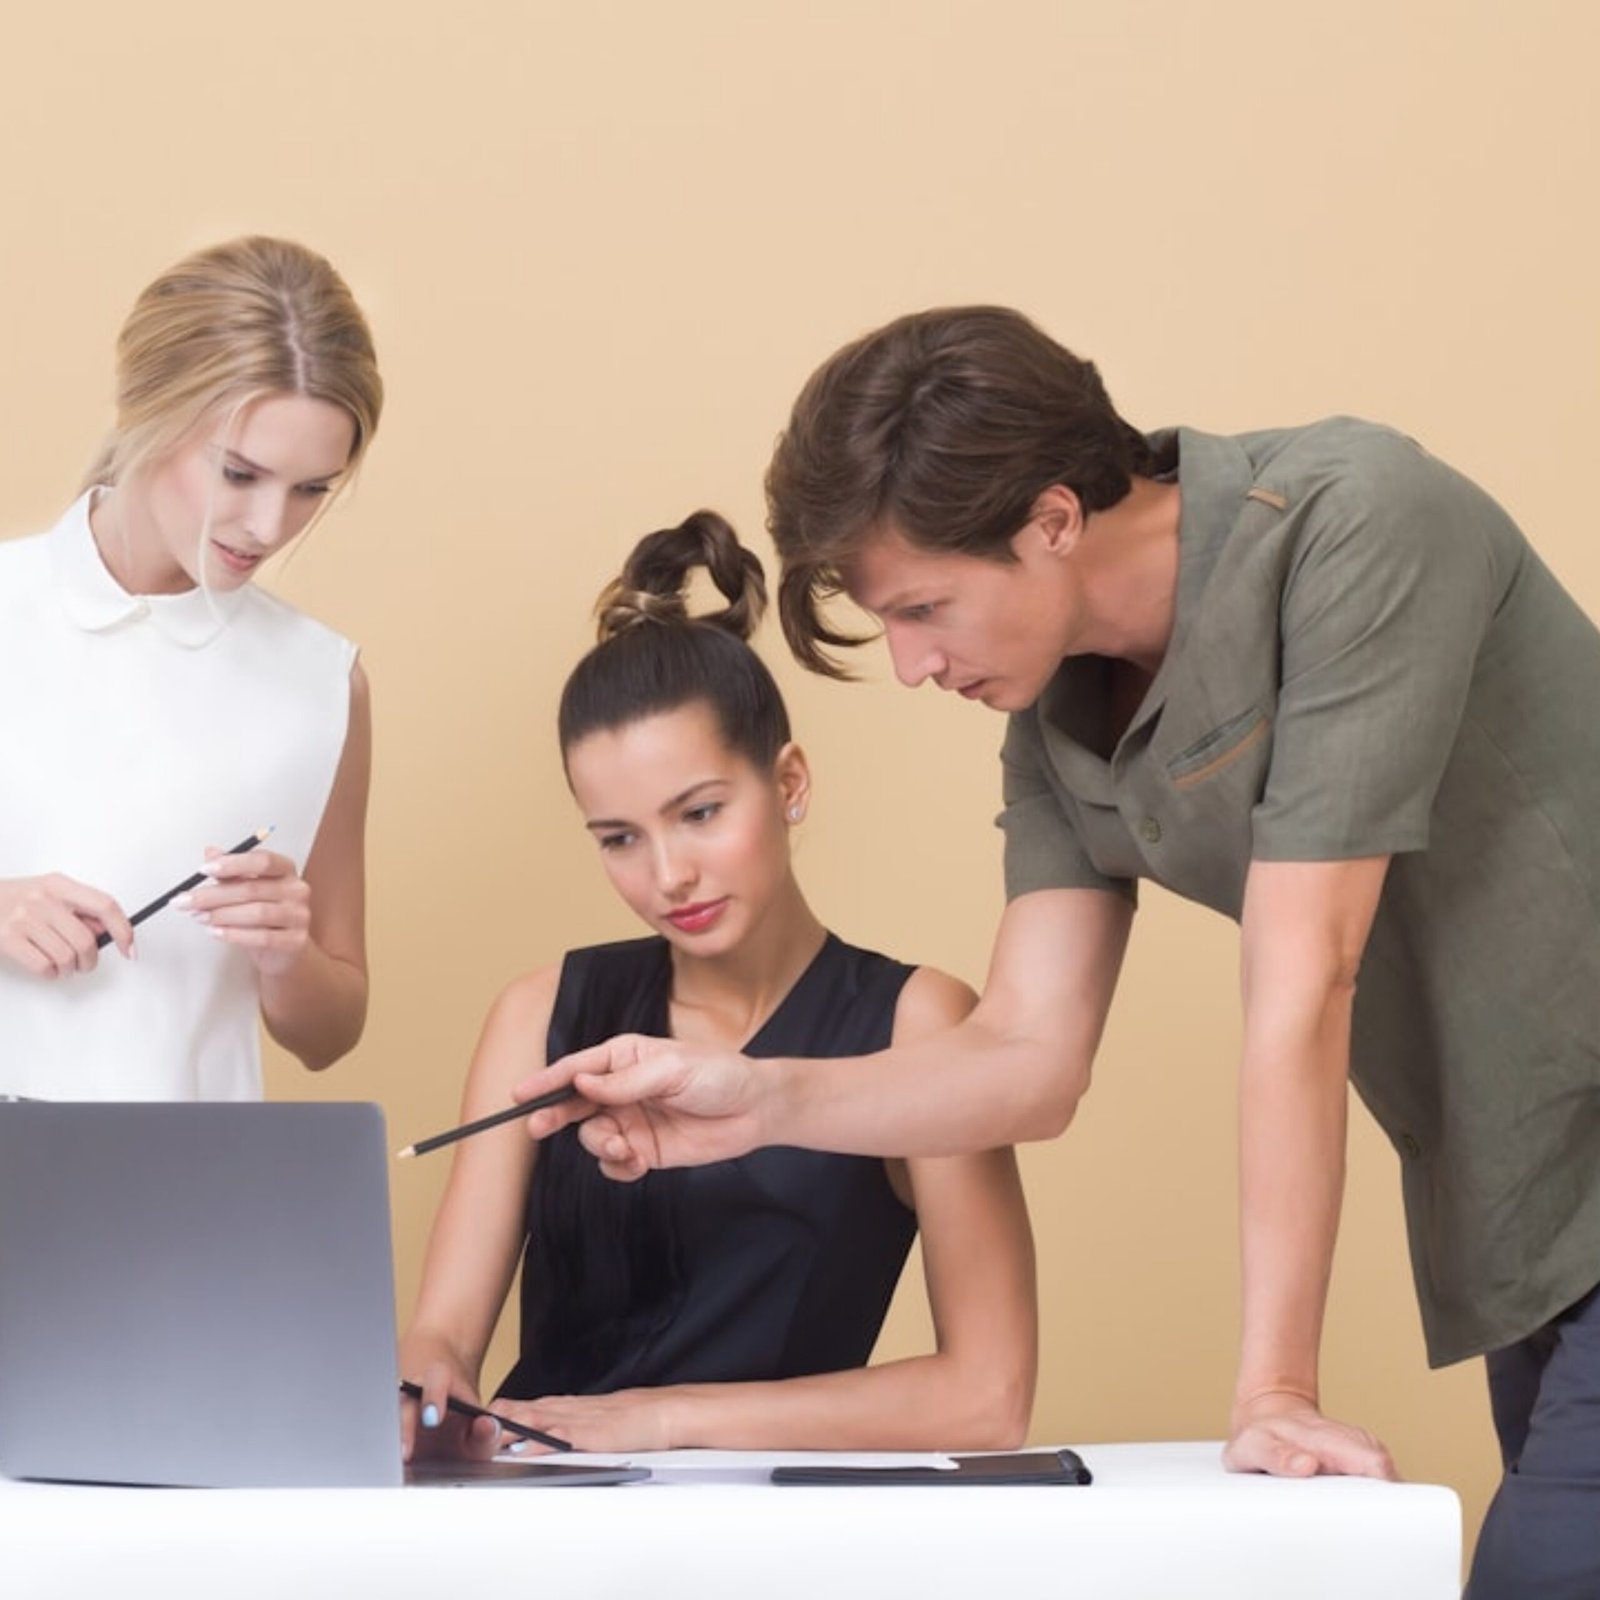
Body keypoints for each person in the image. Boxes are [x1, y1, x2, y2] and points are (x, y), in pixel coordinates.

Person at [524, 308, 1600, 1598]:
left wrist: (1273, 1389)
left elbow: (1304, 974)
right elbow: (1028, 1059)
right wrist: (758, 1100)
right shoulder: (1054, 713)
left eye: (925, 610)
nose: (913, 666)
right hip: (1530, 1219)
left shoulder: (1353, 523)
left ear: (1049, 520)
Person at [399, 510, 1035, 1459]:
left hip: (766, 1534)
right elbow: (442, 1336)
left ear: (788, 784)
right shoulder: (540, 1016)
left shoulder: (919, 1024)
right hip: (537, 1515)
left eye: (698, 813)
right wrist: (426, 1387)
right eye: (618, 838)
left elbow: (987, 1398)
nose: (668, 876)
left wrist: (659, 1422)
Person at [0, 236, 383, 1099]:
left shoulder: (321, 685)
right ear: (147, 412)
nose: (267, 524)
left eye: (312, 489)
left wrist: (287, 956)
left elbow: (331, 1033)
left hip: (180, 1208)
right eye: (239, 473)